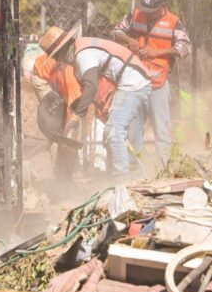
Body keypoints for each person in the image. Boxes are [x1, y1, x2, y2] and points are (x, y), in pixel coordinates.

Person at [45, 25, 155, 180]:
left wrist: (76, 117)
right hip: (129, 81)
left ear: (63, 50)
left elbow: (91, 86)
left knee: (115, 132)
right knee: (110, 133)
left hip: (134, 82)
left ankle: (122, 183)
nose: (58, 60)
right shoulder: (82, 47)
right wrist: (79, 105)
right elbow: (90, 87)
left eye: (57, 56)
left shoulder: (83, 55)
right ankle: (127, 175)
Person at [113, 0, 192, 167]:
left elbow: (186, 47)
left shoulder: (173, 22)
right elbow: (116, 31)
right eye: (145, 10)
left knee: (161, 131)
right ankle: (135, 172)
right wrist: (129, 40)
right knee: (133, 131)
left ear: (162, 6)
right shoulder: (135, 14)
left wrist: (158, 52)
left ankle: (164, 169)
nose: (147, 14)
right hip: (135, 82)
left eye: (152, 11)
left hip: (158, 84)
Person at [31, 26, 83, 180]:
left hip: (57, 79)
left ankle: (67, 163)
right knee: (62, 126)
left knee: (68, 127)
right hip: (41, 79)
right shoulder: (71, 75)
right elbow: (74, 110)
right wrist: (69, 130)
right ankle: (61, 170)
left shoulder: (74, 63)